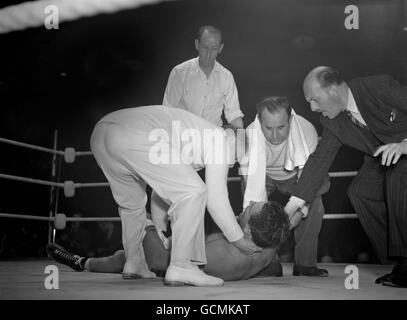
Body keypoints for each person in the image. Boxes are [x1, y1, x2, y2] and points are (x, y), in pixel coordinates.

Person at [90, 105, 261, 287]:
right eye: (234, 157)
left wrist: (159, 229)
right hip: (131, 134)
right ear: (231, 136)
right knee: (194, 191)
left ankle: (134, 262)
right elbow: (215, 199)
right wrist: (239, 239)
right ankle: (182, 265)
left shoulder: (192, 138)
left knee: (132, 205)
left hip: (101, 134)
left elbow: (160, 191)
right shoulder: (219, 137)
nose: (230, 164)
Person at [284, 66, 407, 288]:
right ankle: (396, 262)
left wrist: (404, 145)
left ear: (332, 89)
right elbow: (319, 161)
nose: (312, 107)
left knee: (397, 175)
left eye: (314, 100)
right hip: (383, 161)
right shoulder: (332, 121)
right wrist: (289, 210)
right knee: (360, 191)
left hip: (404, 153)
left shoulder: (378, 86)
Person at [47, 200, 293, 281]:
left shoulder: (223, 255)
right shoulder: (270, 244)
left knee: (131, 238)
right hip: (180, 249)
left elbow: (159, 261)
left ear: (249, 232)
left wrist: (145, 223)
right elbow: (275, 266)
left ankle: (81, 262)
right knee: (125, 257)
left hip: (165, 262)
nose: (248, 204)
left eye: (251, 209)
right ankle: (81, 262)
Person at [239, 96, 330, 277]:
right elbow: (251, 186)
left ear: (290, 120)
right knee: (253, 212)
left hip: (296, 175)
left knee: (316, 198)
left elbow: (309, 180)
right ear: (259, 121)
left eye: (281, 127)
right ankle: (267, 264)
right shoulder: (248, 135)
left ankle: (305, 264)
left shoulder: (306, 130)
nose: (274, 135)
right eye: (268, 128)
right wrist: (260, 216)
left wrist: (296, 212)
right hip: (262, 175)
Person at [163, 25, 244, 131]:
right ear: (197, 44)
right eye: (205, 47)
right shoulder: (179, 73)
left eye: (214, 48)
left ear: (220, 48)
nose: (209, 54)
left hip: (213, 137)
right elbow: (168, 112)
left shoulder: (226, 77)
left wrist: (242, 143)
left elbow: (234, 115)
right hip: (184, 135)